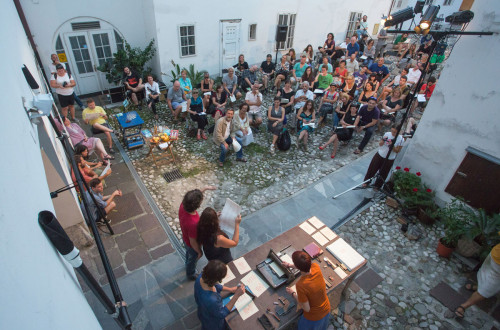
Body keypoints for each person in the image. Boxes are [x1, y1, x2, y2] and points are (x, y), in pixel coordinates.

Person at [284, 251, 330, 329]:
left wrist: (293, 293)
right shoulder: (315, 266)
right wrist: (289, 265)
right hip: (326, 309)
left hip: (313, 318)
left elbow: (306, 308)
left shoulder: (301, 285)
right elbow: (304, 266)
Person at [194, 260, 246, 330]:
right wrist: (236, 296)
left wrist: (230, 289)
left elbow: (215, 286)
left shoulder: (201, 277)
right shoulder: (212, 300)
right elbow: (222, 313)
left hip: (202, 312)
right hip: (213, 324)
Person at [179, 186, 217, 280]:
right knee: (192, 259)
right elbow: (193, 242)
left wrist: (206, 188)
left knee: (188, 255)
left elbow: (194, 196)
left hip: (185, 237)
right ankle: (191, 274)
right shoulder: (193, 223)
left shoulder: (183, 206)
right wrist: (199, 252)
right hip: (192, 245)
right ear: (198, 206)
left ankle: (187, 262)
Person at [454, 243, 500, 319]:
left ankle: (478, 287)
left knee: (485, 273)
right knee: (487, 290)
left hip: (495, 254)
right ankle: (463, 306)